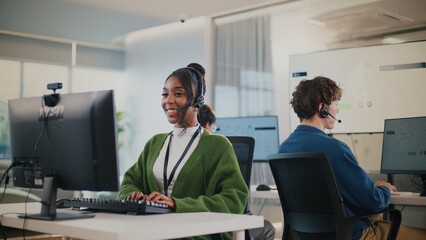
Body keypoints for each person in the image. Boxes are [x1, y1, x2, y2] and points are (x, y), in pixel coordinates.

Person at [279, 76, 426, 240]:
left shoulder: (283, 149)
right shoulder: (334, 149)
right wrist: (383, 189)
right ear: (323, 108)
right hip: (350, 235)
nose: (337, 110)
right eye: (335, 103)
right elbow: (373, 202)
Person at [117, 67, 248, 240]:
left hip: (195, 235)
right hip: (153, 232)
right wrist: (135, 196)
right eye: (165, 94)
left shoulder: (218, 145)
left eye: (178, 94)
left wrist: (177, 204)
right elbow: (129, 182)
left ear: (197, 100)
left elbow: (234, 199)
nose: (168, 101)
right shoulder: (155, 143)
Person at [197, 104, 276, 240]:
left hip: (196, 222)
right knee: (268, 228)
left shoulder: (187, 151)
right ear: (208, 124)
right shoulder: (218, 148)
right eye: (213, 127)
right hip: (218, 224)